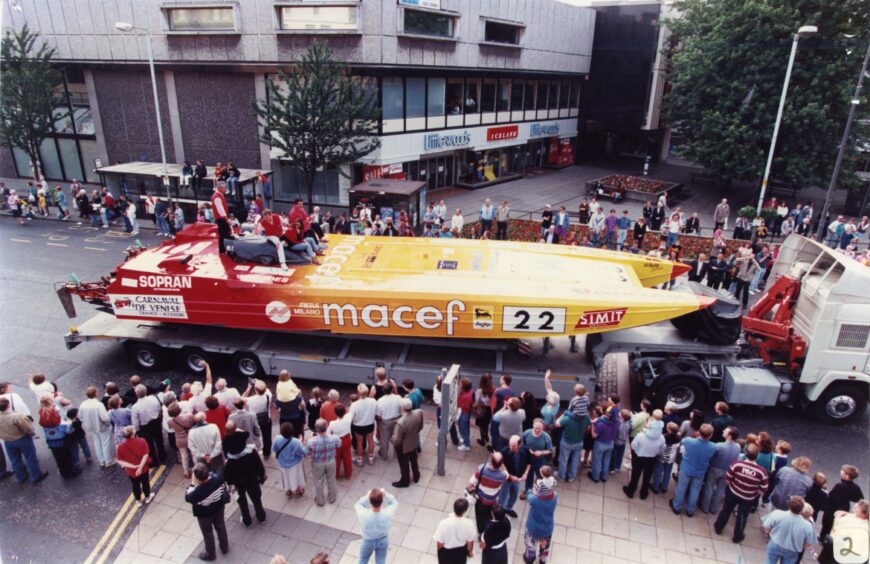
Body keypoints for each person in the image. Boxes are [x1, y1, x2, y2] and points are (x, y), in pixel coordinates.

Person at [714, 444, 769, 543]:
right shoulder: (761, 471)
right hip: (748, 497)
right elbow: (764, 488)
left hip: (733, 492)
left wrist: (733, 486)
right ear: (757, 456)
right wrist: (754, 493)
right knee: (742, 516)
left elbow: (728, 479)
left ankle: (718, 527)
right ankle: (737, 536)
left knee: (726, 510)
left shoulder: (737, 464)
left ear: (746, 454)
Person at [222, 420, 266, 527]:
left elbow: (227, 475)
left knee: (242, 502)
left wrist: (229, 483)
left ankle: (247, 520)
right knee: (256, 499)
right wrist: (261, 476)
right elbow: (259, 465)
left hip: (238, 482)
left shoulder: (230, 459)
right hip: (251, 479)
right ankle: (261, 517)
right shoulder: (250, 452)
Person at [186, 463, 230, 561]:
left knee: (208, 533)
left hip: (204, 515)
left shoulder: (197, 492)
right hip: (218, 507)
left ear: (197, 478)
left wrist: (192, 484)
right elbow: (224, 488)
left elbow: (188, 497)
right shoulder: (218, 478)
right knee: (221, 526)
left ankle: (210, 554)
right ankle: (224, 547)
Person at [670, 423, 717, 517]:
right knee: (695, 490)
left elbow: (681, 441)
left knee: (681, 488)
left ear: (699, 432)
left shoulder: (689, 441)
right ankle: (690, 510)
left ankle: (677, 507)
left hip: (686, 469)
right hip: (700, 471)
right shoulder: (713, 446)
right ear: (710, 435)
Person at [0, 397, 48, 484]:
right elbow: (28, 428)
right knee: (30, 458)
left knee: (15, 460)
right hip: (21, 439)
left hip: (8, 441)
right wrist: (32, 434)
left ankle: (20, 477)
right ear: (8, 405)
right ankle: (36, 476)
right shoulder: (17, 416)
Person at [762, 496, 816, 564]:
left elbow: (766, 526)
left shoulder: (778, 513)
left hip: (775, 543)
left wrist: (772, 533)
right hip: (792, 550)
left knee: (770, 561)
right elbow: (808, 544)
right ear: (802, 508)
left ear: (789, 505)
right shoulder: (808, 526)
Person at [700, 427, 741, 514]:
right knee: (720, 490)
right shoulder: (738, 447)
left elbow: (711, 457)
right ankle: (714, 508)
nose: (723, 431)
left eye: (725, 431)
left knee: (709, 487)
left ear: (729, 436)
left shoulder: (719, 445)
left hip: (715, 468)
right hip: (728, 471)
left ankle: (705, 507)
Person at [623, 419, 665, 500]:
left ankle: (631, 491)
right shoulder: (662, 438)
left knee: (635, 475)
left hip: (639, 457)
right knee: (647, 476)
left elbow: (633, 445)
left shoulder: (641, 435)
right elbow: (662, 449)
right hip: (651, 459)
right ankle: (643, 493)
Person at [819, 464, 864, 540]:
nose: (841, 471)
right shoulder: (855, 487)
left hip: (832, 509)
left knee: (827, 525)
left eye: (843, 472)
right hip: (844, 508)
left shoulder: (839, 486)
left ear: (847, 476)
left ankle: (823, 538)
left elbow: (830, 496)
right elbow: (860, 499)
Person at [468, 452, 509, 535]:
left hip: (480, 500)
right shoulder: (503, 476)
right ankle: (488, 532)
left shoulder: (481, 469)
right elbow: (506, 473)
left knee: (480, 517)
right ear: (501, 463)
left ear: (491, 460)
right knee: (490, 517)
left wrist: (473, 493)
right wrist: (502, 464)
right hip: (493, 501)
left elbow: (470, 485)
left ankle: (480, 532)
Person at [304, 418, 341, 507]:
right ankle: (332, 498)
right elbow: (339, 445)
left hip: (317, 463)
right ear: (327, 426)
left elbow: (306, 453)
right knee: (331, 479)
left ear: (317, 429)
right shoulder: (334, 438)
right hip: (331, 461)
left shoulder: (312, 441)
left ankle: (320, 501)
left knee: (318, 481)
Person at [522, 470, 557, 564]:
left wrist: (531, 491)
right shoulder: (554, 497)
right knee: (544, 546)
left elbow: (529, 495)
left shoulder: (534, 499)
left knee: (530, 544)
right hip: (547, 528)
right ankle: (542, 560)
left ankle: (529, 558)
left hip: (533, 527)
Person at [356, 488, 397, 564]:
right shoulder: (387, 514)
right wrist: (385, 494)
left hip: (367, 541)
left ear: (370, 502)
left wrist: (368, 495)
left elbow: (359, 504)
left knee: (363, 559)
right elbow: (394, 502)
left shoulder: (364, 515)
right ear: (382, 501)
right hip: (382, 539)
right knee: (380, 561)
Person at [116, 426, 154, 506]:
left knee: (135, 485)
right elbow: (145, 455)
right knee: (145, 483)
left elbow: (120, 460)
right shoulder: (142, 441)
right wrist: (140, 467)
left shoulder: (120, 447)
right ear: (133, 434)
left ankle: (138, 500)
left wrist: (134, 467)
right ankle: (147, 497)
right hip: (143, 468)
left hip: (131, 471)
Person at [390, 398, 423, 488]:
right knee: (413, 460)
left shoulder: (401, 423)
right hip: (413, 442)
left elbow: (397, 440)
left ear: (402, 408)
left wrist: (392, 440)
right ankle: (416, 476)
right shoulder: (419, 413)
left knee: (404, 464)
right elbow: (420, 427)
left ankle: (405, 481)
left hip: (403, 447)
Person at [79, 386, 115, 468]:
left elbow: (80, 416)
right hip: (102, 427)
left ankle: (101, 461)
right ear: (96, 394)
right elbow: (105, 418)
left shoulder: (83, 404)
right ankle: (108, 461)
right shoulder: (99, 405)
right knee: (105, 443)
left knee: (97, 443)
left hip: (91, 428)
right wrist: (108, 423)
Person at [433, 498, 477, 563]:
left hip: (446, 552)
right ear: (465, 510)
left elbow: (440, 543)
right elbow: (470, 542)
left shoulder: (444, 523)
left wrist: (440, 552)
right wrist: (469, 552)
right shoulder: (469, 524)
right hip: (461, 552)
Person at [131, 384, 165, 467]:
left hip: (145, 427)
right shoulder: (154, 398)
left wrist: (137, 430)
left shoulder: (135, 407)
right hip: (156, 422)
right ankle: (163, 455)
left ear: (136, 394)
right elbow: (159, 409)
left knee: (149, 445)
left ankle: (154, 461)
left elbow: (135, 422)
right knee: (159, 439)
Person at [498, 435, 530, 518]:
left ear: (519, 445)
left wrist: (526, 473)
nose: (511, 447)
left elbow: (529, 463)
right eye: (510, 445)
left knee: (514, 495)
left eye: (514, 446)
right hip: (506, 479)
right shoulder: (504, 452)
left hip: (517, 479)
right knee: (503, 496)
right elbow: (500, 465)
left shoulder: (525, 450)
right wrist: (510, 476)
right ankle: (500, 511)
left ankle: (508, 508)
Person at [555, 401, 587, 483]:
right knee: (575, 460)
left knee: (563, 460)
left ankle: (561, 476)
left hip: (567, 442)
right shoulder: (586, 417)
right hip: (579, 442)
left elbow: (557, 424)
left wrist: (563, 414)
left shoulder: (568, 418)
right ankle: (571, 477)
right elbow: (589, 425)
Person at [272, 422, 306, 498]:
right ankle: (297, 491)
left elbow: (274, 449)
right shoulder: (295, 441)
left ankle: (288, 491)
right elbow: (299, 452)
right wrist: (301, 442)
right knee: (295, 477)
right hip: (294, 463)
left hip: (282, 463)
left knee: (285, 477)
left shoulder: (277, 438)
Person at [588, 402, 619, 483]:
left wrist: (593, 425)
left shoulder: (601, 424)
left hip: (600, 444)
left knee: (597, 461)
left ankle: (595, 477)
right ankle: (604, 477)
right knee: (606, 460)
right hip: (610, 443)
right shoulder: (617, 422)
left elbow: (594, 436)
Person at [521, 419, 553, 495]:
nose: (538, 430)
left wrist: (541, 452)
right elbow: (522, 444)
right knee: (529, 475)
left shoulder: (546, 437)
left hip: (540, 460)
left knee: (540, 476)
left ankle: (538, 490)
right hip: (528, 459)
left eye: (540, 429)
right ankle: (527, 490)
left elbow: (550, 450)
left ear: (543, 428)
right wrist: (528, 449)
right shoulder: (526, 433)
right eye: (536, 428)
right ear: (533, 426)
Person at [243, 379, 273, 457]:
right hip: (266, 419)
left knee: (254, 436)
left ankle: (257, 450)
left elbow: (241, 398)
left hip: (255, 420)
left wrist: (249, 387)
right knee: (267, 436)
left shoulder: (250, 400)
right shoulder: (268, 395)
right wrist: (259, 382)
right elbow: (266, 389)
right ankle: (266, 452)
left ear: (255, 390)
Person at [351, 383, 377, 466]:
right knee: (370, 440)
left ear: (358, 393)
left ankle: (359, 460)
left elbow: (351, 417)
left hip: (358, 426)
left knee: (359, 443)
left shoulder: (354, 404)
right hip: (370, 424)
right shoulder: (373, 401)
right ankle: (371, 458)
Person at [167, 402, 195, 478]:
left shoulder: (169, 421)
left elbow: (170, 428)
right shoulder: (188, 416)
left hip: (179, 439)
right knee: (194, 453)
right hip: (190, 437)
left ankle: (186, 471)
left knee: (183, 455)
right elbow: (192, 422)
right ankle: (196, 469)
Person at [375, 384, 402, 460]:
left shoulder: (380, 401)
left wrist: (379, 423)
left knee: (384, 439)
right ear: (392, 390)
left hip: (385, 421)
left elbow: (379, 416)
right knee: (397, 437)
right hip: (397, 419)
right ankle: (396, 454)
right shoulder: (398, 398)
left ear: (384, 391)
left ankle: (384, 455)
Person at [328, 404, 353, 480]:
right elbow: (350, 412)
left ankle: (336, 474)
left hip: (336, 441)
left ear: (335, 413)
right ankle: (348, 473)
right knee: (347, 457)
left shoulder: (332, 423)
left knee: (336, 458)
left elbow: (328, 433)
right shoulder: (348, 418)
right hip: (347, 439)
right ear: (344, 412)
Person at [211, 182, 232, 255]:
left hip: (222, 218)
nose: (225, 189)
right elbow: (221, 211)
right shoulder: (217, 197)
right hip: (221, 219)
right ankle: (224, 251)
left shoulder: (219, 195)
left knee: (225, 234)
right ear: (220, 188)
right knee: (224, 235)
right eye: (224, 188)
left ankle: (225, 250)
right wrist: (227, 219)